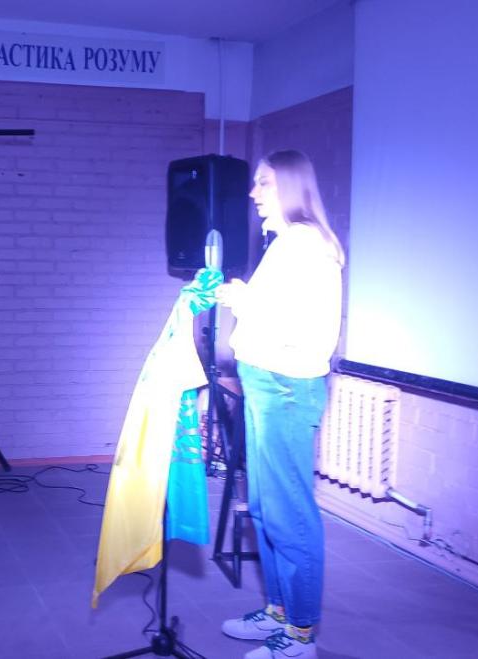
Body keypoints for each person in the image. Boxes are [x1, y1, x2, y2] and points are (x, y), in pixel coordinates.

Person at [215, 150, 345, 659]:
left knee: (289, 513)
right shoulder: (287, 242)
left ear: (290, 186)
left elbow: (302, 328)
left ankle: (301, 635)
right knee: (266, 509)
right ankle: (279, 612)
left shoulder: (306, 244)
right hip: (267, 384)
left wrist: (242, 299)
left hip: (286, 388)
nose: (254, 193)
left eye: (264, 183)